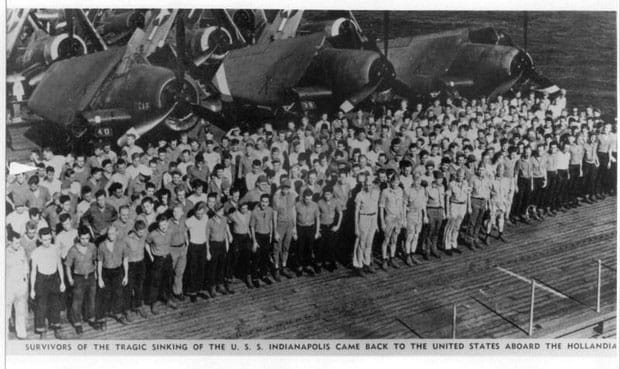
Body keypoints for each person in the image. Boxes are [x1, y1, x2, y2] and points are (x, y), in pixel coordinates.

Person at [30, 227, 66, 339]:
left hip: (54, 278)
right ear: (40, 239)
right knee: (41, 305)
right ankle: (41, 329)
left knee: (55, 304)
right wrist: (32, 289)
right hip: (41, 280)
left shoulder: (55, 249)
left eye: (49, 239)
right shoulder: (36, 252)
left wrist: (62, 282)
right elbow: (33, 271)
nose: (47, 242)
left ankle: (56, 327)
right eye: (45, 240)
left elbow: (59, 265)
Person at [64, 227, 97, 334]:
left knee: (91, 299)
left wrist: (95, 274)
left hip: (91, 276)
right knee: (77, 302)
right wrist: (69, 278)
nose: (85, 241)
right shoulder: (73, 250)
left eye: (87, 238)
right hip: (79, 278)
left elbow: (95, 260)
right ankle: (77, 322)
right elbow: (68, 266)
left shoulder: (92, 246)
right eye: (83, 239)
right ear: (79, 238)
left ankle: (91, 318)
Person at [96, 225, 129, 328]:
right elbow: (99, 262)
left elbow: (125, 260)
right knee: (104, 295)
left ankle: (118, 313)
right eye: (109, 234)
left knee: (118, 293)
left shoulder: (122, 244)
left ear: (117, 233)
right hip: (106, 272)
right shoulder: (101, 245)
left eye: (113, 233)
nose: (111, 236)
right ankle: (103, 318)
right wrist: (100, 278)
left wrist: (126, 275)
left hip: (118, 272)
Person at [145, 214, 177, 314]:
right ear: (158, 225)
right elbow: (146, 243)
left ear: (167, 223)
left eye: (165, 224)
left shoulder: (170, 231)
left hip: (167, 258)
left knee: (168, 280)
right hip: (158, 259)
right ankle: (154, 303)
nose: (164, 227)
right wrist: (151, 255)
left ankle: (168, 299)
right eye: (161, 225)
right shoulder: (152, 234)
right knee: (155, 281)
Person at [352, 174, 380, 276]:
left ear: (373, 185)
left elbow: (376, 208)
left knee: (369, 243)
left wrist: (376, 223)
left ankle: (366, 263)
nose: (368, 187)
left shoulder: (376, 193)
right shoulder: (360, 195)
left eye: (370, 185)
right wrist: (356, 227)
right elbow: (356, 212)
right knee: (361, 243)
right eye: (367, 184)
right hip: (363, 217)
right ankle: (359, 265)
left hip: (372, 218)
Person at [379, 173, 406, 269]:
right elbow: (381, 207)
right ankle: (384, 259)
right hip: (389, 218)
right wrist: (382, 222)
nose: (395, 184)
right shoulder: (385, 192)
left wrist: (403, 219)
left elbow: (402, 206)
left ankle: (392, 257)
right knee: (386, 239)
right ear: (390, 182)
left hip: (398, 218)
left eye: (397, 182)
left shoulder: (400, 191)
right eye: (394, 182)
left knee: (394, 239)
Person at [205, 204, 233, 297]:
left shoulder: (224, 219)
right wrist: (208, 251)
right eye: (219, 211)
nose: (221, 213)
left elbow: (226, 228)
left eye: (222, 211)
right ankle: (212, 287)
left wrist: (229, 236)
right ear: (215, 211)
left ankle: (220, 284)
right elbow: (207, 237)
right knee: (213, 267)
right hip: (213, 245)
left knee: (222, 265)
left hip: (222, 245)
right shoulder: (209, 222)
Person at [6, 231, 29, 339]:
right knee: (6, 311)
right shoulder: (4, 252)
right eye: (16, 243)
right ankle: (4, 333)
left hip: (20, 285)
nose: (18, 245)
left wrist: (25, 281)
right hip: (9, 286)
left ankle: (21, 332)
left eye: (19, 243)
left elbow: (25, 266)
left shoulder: (22, 250)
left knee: (20, 310)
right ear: (9, 241)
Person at [272, 179, 296, 278]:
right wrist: (275, 231)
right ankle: (276, 268)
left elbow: (293, 211)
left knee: (286, 247)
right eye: (284, 188)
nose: (285, 190)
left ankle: (284, 266)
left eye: (287, 188)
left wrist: (294, 227)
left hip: (289, 224)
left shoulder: (292, 196)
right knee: (277, 247)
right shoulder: (276, 197)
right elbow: (274, 214)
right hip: (280, 224)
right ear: (281, 187)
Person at [229, 202, 257, 288]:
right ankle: (230, 277)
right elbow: (226, 222)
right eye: (243, 208)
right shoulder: (233, 215)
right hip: (237, 237)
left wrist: (253, 239)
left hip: (246, 237)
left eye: (246, 208)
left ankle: (248, 278)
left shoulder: (249, 213)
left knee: (247, 257)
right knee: (235, 257)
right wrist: (229, 235)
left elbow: (250, 225)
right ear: (239, 208)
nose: (244, 210)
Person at [184, 202, 209, 302]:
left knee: (201, 268)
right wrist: (187, 242)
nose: (200, 216)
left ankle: (198, 290)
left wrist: (207, 247)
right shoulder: (189, 221)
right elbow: (184, 231)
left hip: (202, 245)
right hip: (193, 246)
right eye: (198, 214)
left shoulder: (206, 217)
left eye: (201, 213)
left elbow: (206, 231)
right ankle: (192, 291)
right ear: (194, 212)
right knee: (193, 269)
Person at [124, 220, 148, 318]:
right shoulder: (128, 239)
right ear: (135, 230)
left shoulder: (144, 236)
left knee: (139, 286)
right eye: (140, 232)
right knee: (129, 288)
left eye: (143, 231)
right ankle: (127, 309)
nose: (142, 234)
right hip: (131, 264)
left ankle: (138, 306)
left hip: (141, 263)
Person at [250, 194, 277, 282]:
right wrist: (254, 241)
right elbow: (252, 227)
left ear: (268, 203)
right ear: (260, 201)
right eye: (262, 201)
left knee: (265, 257)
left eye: (266, 202)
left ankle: (263, 275)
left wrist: (270, 235)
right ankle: (254, 277)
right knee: (256, 257)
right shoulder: (255, 212)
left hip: (266, 236)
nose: (264, 204)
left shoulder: (270, 210)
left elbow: (271, 223)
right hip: (258, 236)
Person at [294, 189, 320, 276]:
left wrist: (317, 232)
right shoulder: (297, 205)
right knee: (300, 247)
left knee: (309, 247)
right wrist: (294, 230)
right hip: (300, 228)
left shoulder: (315, 205)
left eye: (310, 199)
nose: (308, 201)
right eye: (306, 199)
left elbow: (317, 219)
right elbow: (294, 217)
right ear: (303, 197)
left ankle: (307, 265)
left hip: (310, 228)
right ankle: (299, 266)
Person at [444, 168, 469, 255]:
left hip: (462, 206)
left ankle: (454, 244)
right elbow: (447, 198)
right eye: (459, 176)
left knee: (457, 227)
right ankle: (447, 246)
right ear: (456, 176)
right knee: (450, 225)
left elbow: (467, 195)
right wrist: (447, 211)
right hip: (454, 204)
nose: (460, 178)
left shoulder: (466, 183)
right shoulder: (451, 184)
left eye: (462, 176)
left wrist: (467, 207)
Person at [317, 186, 343, 272]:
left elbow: (340, 213)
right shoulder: (320, 202)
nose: (327, 196)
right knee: (321, 246)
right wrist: (317, 230)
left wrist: (338, 226)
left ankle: (330, 262)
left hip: (331, 226)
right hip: (322, 226)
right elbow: (316, 216)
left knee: (331, 245)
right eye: (325, 194)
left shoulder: (335, 201)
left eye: (329, 194)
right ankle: (319, 263)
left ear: (332, 194)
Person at [404, 172, 427, 263]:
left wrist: (425, 215)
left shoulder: (423, 190)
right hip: (411, 214)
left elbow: (424, 203)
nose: (417, 181)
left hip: (419, 215)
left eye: (419, 180)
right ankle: (408, 255)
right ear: (413, 180)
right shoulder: (408, 190)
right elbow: (404, 204)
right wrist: (404, 217)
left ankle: (413, 254)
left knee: (416, 235)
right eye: (416, 179)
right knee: (409, 236)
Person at [168, 202, 189, 301]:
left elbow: (185, 232)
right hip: (172, 250)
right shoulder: (168, 223)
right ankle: (168, 293)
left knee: (179, 272)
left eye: (178, 212)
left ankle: (177, 291)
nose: (175, 214)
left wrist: (187, 243)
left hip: (182, 249)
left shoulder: (183, 220)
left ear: (182, 213)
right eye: (174, 212)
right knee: (170, 272)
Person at [424, 171, 445, 258]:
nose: (440, 181)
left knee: (437, 230)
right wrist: (425, 214)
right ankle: (427, 249)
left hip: (439, 210)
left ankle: (434, 248)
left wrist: (443, 212)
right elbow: (424, 202)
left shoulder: (442, 187)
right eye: (438, 179)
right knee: (430, 230)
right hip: (431, 210)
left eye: (441, 179)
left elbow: (443, 200)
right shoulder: (428, 188)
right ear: (435, 179)